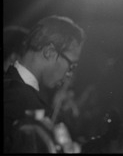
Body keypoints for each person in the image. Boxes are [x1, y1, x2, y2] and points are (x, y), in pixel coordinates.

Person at [3, 15, 86, 153]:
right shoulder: (15, 98)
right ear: (50, 52)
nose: (69, 74)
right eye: (71, 66)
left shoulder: (16, 91)